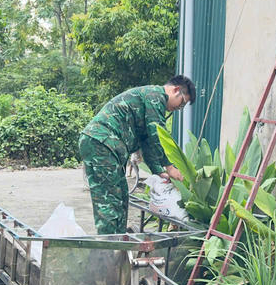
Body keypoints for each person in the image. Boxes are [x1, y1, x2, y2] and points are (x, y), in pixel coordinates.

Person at [79, 75, 194, 234]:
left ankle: (118, 243)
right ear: (176, 90)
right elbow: (156, 134)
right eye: (181, 103)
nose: (178, 108)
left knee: (121, 197)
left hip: (107, 146)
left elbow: (146, 141)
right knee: (109, 201)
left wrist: (158, 171)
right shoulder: (155, 96)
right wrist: (169, 166)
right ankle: (107, 250)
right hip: (101, 143)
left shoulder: (151, 100)